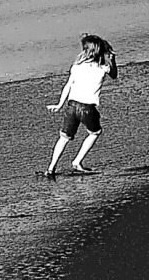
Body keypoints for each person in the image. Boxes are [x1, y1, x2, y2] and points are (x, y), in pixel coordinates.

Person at [44, 34, 115, 177]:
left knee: (64, 137)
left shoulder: (77, 66)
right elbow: (114, 74)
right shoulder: (103, 68)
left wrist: (59, 104)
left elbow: (68, 86)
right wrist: (112, 61)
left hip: (71, 105)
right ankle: (77, 161)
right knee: (95, 132)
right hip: (87, 108)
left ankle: (51, 168)